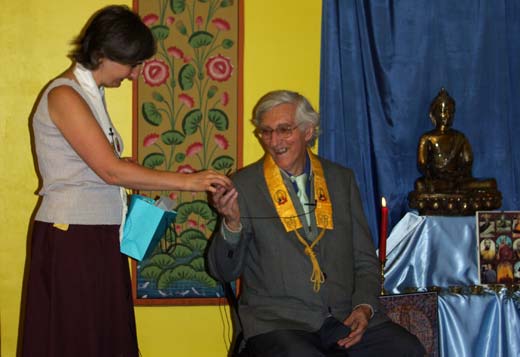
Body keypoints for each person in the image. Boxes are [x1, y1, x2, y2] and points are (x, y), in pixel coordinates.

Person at [21, 5, 231, 357]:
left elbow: (103, 167)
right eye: (132, 64)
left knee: (103, 338)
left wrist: (121, 167)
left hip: (97, 233)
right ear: (103, 53)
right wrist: (188, 181)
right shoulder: (65, 95)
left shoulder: (91, 94)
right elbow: (110, 171)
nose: (134, 75)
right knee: (76, 340)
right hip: (72, 234)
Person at [207, 90, 425, 356]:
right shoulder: (244, 186)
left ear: (308, 131)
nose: (274, 141)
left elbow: (365, 260)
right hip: (280, 322)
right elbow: (222, 272)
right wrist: (231, 224)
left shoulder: (340, 180)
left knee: (407, 349)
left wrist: (364, 307)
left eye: (284, 129)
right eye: (266, 132)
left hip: (343, 316)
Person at [414, 87, 496, 193]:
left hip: (457, 181)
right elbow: (422, 164)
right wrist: (436, 174)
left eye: (450, 112)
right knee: (420, 185)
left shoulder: (460, 137)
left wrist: (457, 175)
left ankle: (451, 189)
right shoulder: (427, 138)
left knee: (491, 183)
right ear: (433, 114)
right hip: (437, 181)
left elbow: (467, 163)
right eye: (443, 112)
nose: (447, 116)